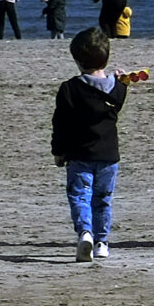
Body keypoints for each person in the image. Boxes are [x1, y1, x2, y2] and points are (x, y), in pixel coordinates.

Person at [49, 27, 126, 263]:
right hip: (108, 154)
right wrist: (122, 82)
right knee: (102, 198)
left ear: (77, 60)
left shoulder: (70, 89)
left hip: (79, 154)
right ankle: (102, 241)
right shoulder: (116, 89)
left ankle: (85, 233)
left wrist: (58, 151)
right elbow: (117, 101)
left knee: (80, 196)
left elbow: (60, 123)